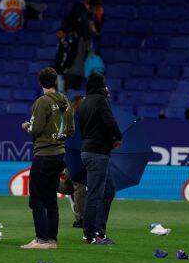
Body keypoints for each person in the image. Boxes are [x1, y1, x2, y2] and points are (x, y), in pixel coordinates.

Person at [20, 68, 74, 249]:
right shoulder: (65, 101)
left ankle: (41, 239)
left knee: (36, 198)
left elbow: (35, 129)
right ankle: (51, 240)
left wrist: (27, 126)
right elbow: (71, 129)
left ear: (40, 83)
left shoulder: (42, 102)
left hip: (44, 154)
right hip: (60, 154)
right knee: (51, 198)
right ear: (55, 81)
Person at [78, 72, 122, 245]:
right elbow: (109, 122)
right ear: (100, 85)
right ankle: (90, 235)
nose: (106, 87)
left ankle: (99, 232)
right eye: (104, 84)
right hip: (97, 154)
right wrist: (117, 138)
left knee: (108, 190)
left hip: (88, 151)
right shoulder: (100, 101)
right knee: (95, 194)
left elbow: (84, 129)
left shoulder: (83, 103)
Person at [66, 95, 85, 228]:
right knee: (80, 187)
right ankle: (81, 219)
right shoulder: (75, 120)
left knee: (75, 187)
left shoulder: (74, 119)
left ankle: (48, 184)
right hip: (76, 156)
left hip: (75, 155)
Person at [53, 28, 76, 93]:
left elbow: (66, 56)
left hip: (62, 67)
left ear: (64, 34)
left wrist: (63, 66)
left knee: (61, 86)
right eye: (57, 33)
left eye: (60, 33)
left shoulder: (65, 43)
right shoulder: (60, 42)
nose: (58, 35)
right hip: (58, 66)